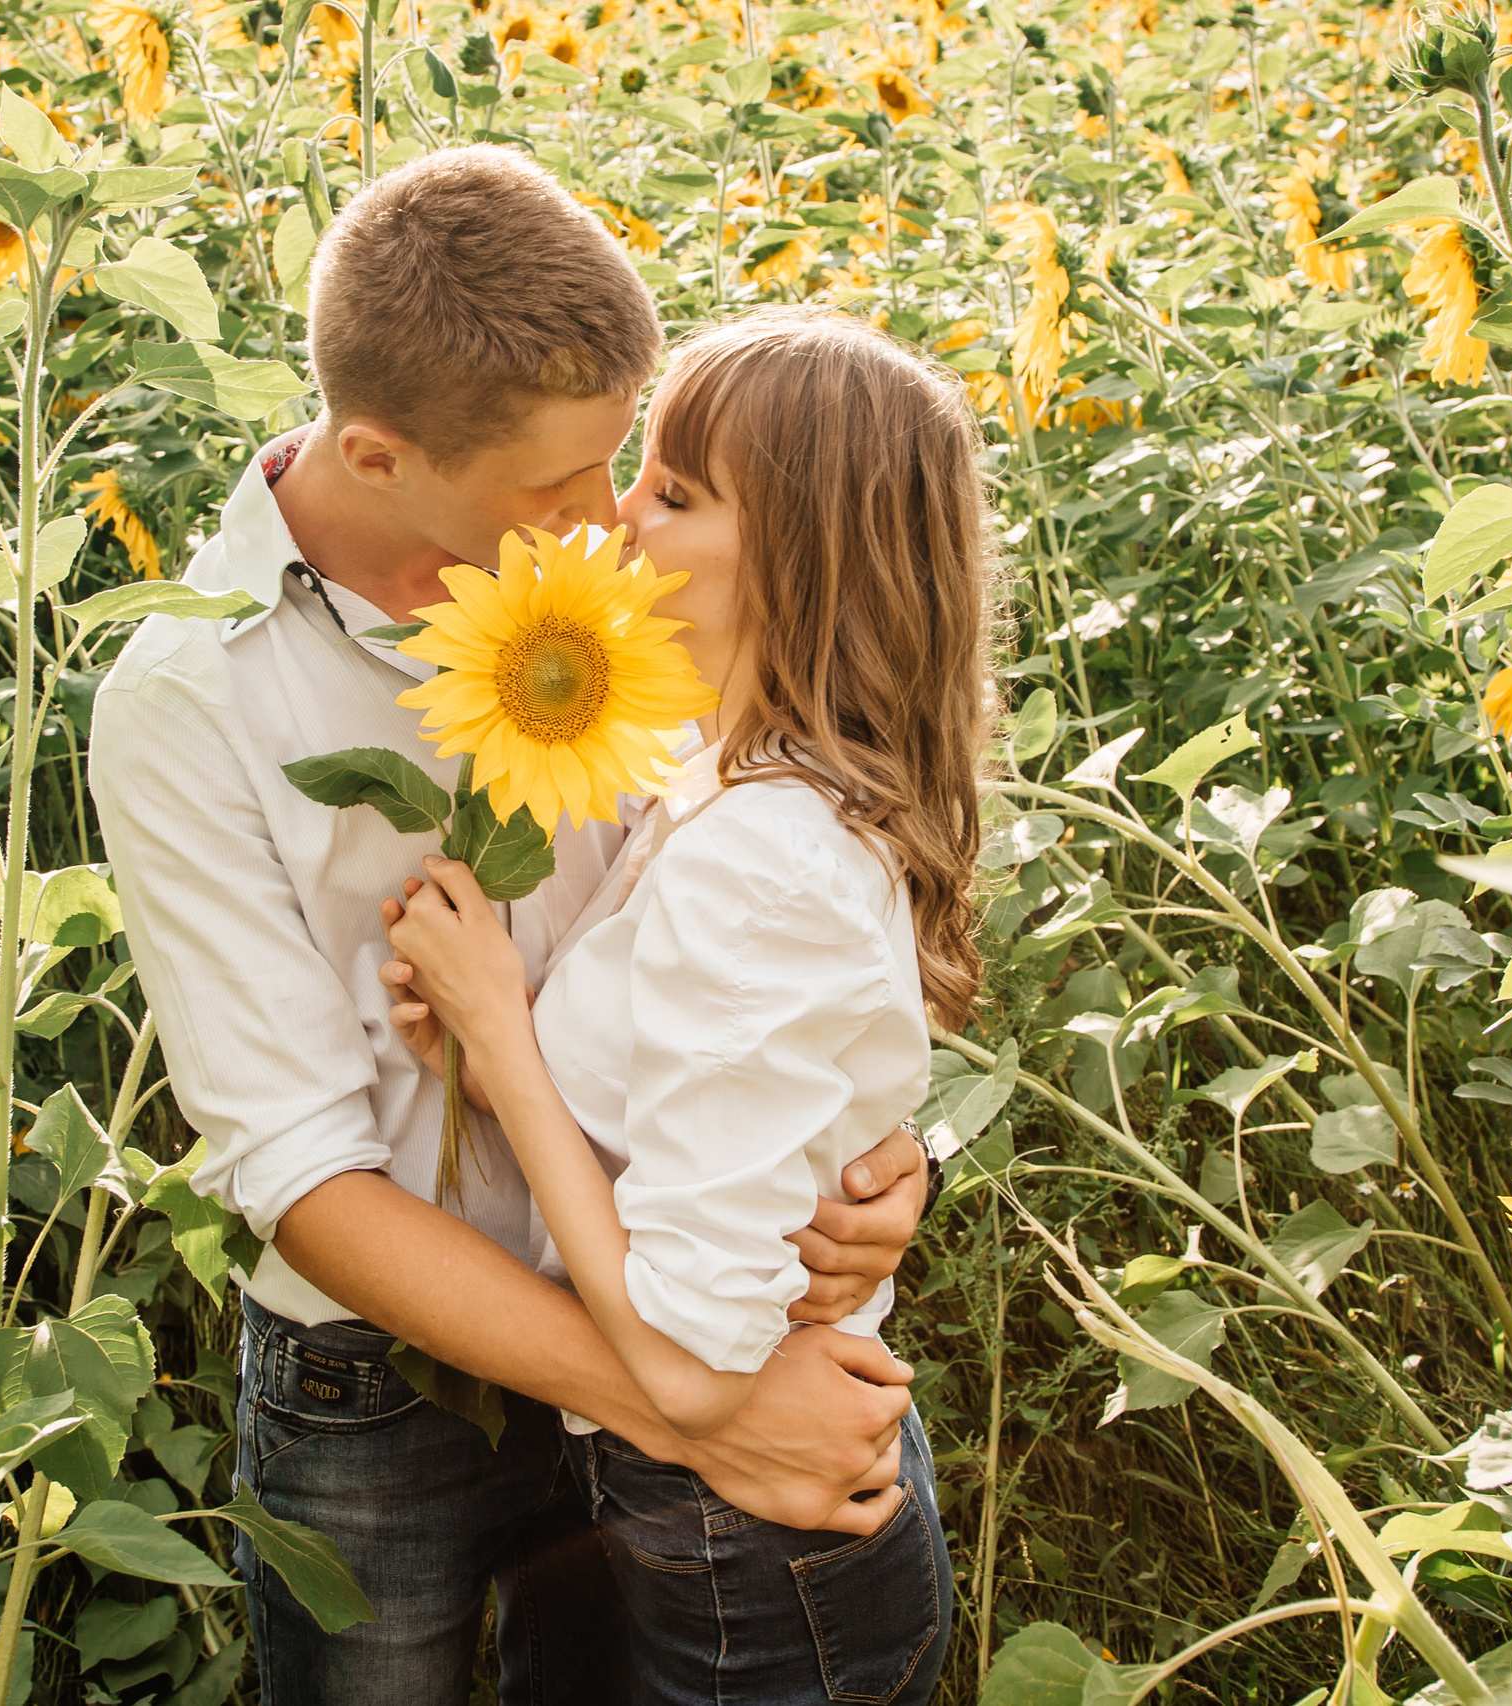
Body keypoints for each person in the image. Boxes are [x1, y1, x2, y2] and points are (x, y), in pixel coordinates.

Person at [87, 150, 932, 1706]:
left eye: (627, 469)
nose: (610, 519)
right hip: (383, 1391)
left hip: (678, 1288)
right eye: (560, 491)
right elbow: (300, 1168)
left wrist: (876, 1162)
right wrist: (698, 1404)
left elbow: (771, 912)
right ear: (380, 452)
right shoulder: (194, 701)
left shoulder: (632, 577)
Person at [376, 309, 994, 1706]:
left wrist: (504, 1040)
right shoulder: (730, 782)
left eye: (673, 490)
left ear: (796, 553)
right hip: (701, 1533)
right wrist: (491, 1054)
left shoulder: (762, 856)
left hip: (753, 1570)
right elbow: (702, 1092)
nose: (619, 514)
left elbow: (694, 1365)